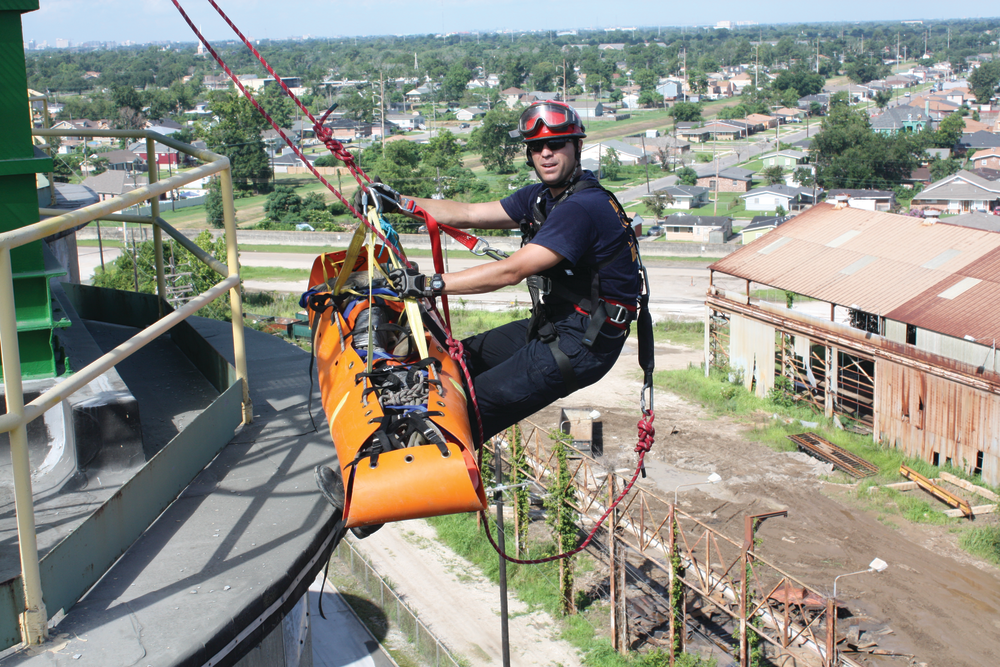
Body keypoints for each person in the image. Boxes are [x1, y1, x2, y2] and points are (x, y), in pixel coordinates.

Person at [373, 100, 643, 441]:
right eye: (536, 147)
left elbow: (511, 271)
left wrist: (429, 284)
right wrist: (396, 202)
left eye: (556, 144)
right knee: (459, 360)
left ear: (577, 146)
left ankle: (391, 473)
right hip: (560, 322)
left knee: (465, 405)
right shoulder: (543, 197)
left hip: (584, 343)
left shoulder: (581, 208)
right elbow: (468, 213)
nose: (546, 153)